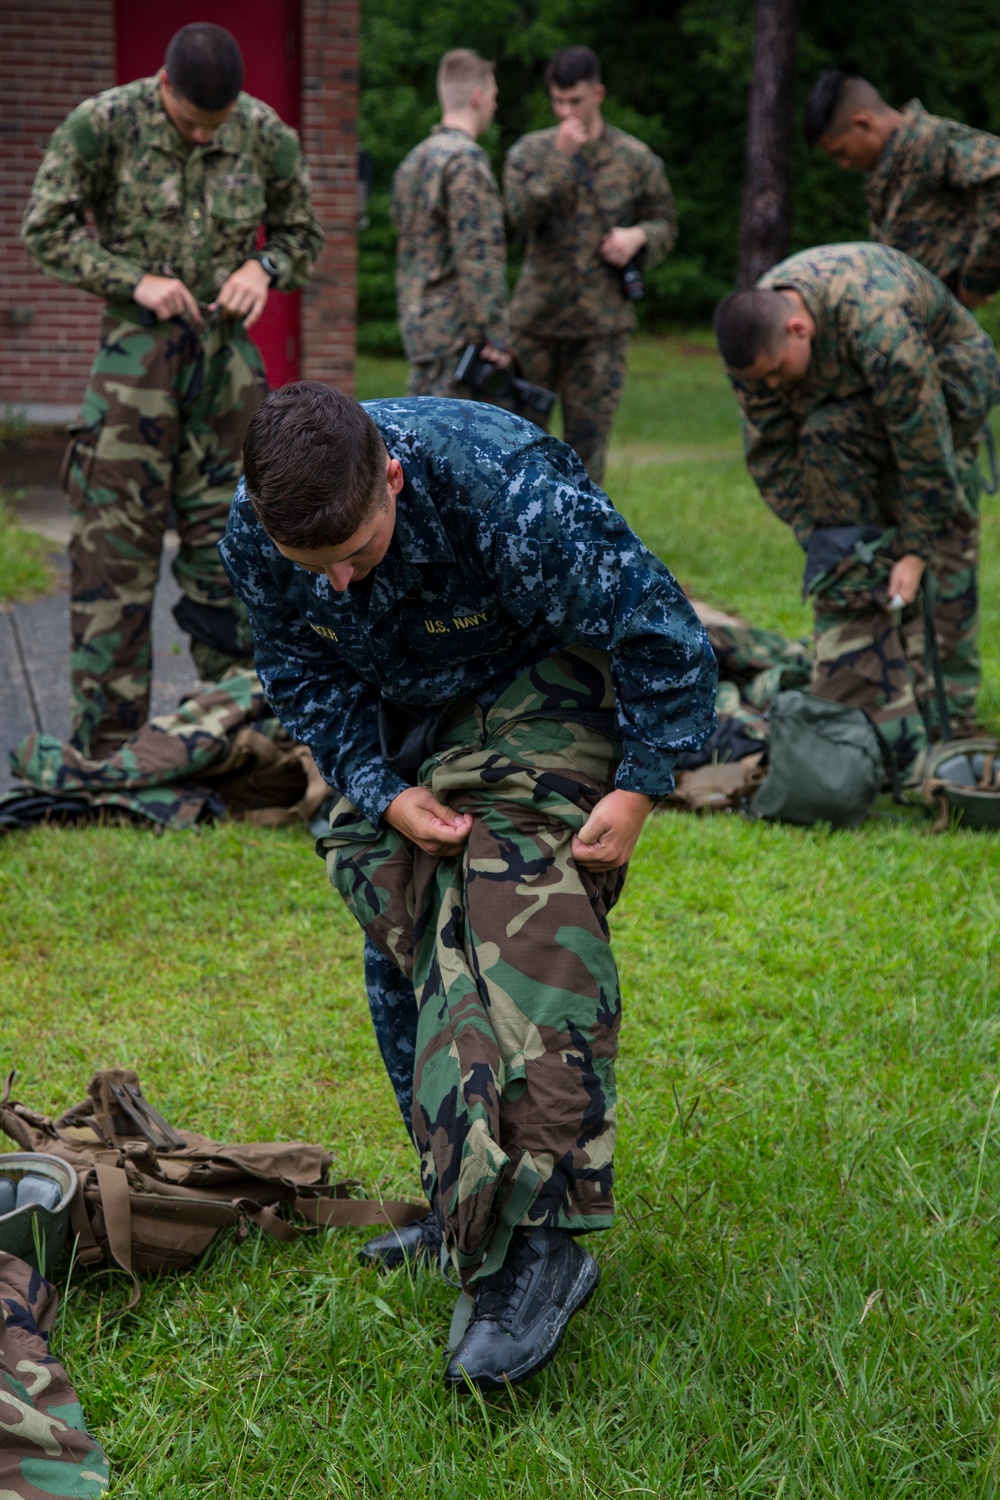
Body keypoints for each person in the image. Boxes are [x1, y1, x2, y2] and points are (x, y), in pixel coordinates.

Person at [218, 384, 716, 1390]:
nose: (343, 582)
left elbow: (661, 633)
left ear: (392, 477)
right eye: (321, 570)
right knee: (401, 911)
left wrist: (639, 786)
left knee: (511, 900)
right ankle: (465, 1206)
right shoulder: (261, 526)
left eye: (358, 551)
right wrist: (383, 790)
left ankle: (539, 1241)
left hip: (538, 681)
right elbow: (297, 675)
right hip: (406, 713)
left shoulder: (505, 489)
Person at [22, 23, 322, 757]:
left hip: (226, 372)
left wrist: (264, 268)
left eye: (212, 128)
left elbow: (302, 233)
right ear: (163, 86)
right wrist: (135, 280)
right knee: (113, 558)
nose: (200, 137)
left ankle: (240, 739)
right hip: (134, 369)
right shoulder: (104, 123)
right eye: (189, 123)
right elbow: (46, 226)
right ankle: (109, 749)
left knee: (239, 549)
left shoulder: (264, 133)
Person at [713, 243, 1000, 769]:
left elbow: (925, 445)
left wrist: (914, 551)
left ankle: (947, 718)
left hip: (950, 386)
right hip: (851, 406)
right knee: (829, 450)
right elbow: (771, 453)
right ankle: (873, 679)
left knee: (943, 533)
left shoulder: (878, 325)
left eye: (776, 372)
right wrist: (824, 541)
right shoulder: (756, 337)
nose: (772, 386)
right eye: (762, 381)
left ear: (799, 331)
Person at [503, 46, 676, 486]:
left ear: (598, 93)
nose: (566, 111)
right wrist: (560, 158)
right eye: (557, 101)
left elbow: (665, 222)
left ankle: (582, 545)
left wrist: (639, 237)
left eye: (575, 101)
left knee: (587, 453)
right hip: (535, 324)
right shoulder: (530, 152)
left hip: (601, 328)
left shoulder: (634, 158)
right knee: (520, 445)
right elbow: (517, 217)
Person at [804, 70, 1000, 309]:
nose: (843, 165)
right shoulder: (884, 170)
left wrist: (978, 278)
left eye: (841, 152)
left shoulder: (928, 140)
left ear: (864, 124)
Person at [392, 49, 510, 398]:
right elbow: (478, 255)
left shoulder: (414, 160)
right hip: (457, 338)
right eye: (494, 98)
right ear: (478, 97)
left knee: (422, 438)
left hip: (420, 329)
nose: (495, 106)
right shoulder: (466, 161)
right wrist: (494, 335)